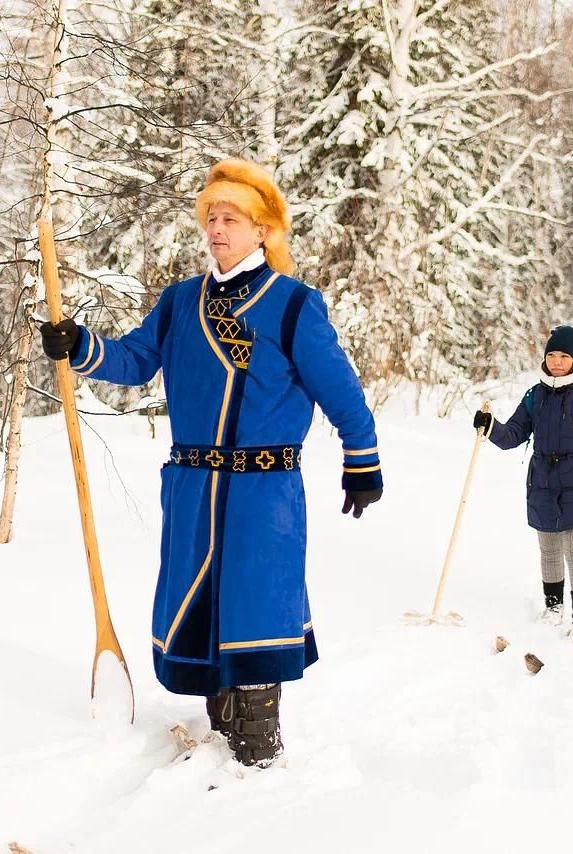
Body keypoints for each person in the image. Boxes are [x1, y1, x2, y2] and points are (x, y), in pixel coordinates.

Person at [39, 159, 383, 767]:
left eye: (231, 219)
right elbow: (135, 360)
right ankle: (221, 741)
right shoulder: (179, 303)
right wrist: (82, 345)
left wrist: (362, 460)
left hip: (263, 492)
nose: (217, 229)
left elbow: (342, 392)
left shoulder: (293, 305)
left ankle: (257, 756)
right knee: (201, 611)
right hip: (193, 485)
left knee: (255, 607)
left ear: (263, 231)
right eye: (212, 218)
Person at [472, 326, 573, 636]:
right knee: (549, 550)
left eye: (563, 356)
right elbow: (514, 434)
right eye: (551, 354)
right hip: (542, 482)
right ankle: (553, 609)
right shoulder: (536, 394)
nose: (556, 361)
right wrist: (490, 427)